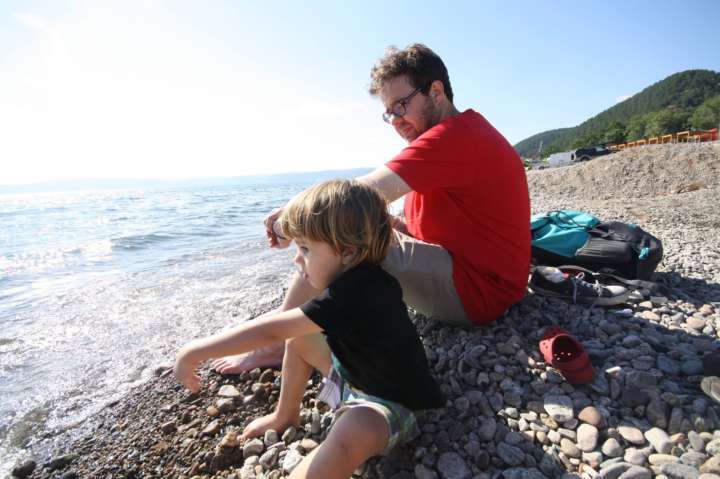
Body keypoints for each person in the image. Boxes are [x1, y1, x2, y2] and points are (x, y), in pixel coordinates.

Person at [212, 43, 530, 374]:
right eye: (389, 113)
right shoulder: (464, 133)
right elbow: (444, 231)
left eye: (401, 106)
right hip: (482, 280)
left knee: (334, 236)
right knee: (360, 228)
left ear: (436, 92)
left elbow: (354, 194)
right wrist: (392, 226)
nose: (396, 121)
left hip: (477, 294)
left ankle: (277, 343)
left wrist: (290, 218)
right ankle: (286, 322)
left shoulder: (454, 137)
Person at [175, 180, 445, 478]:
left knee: (347, 438)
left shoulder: (360, 291)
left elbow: (270, 331)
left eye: (305, 248)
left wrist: (194, 351)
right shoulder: (352, 277)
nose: (296, 257)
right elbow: (287, 329)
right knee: (300, 336)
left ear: (347, 251)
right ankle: (284, 415)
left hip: (391, 405)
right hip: (354, 377)